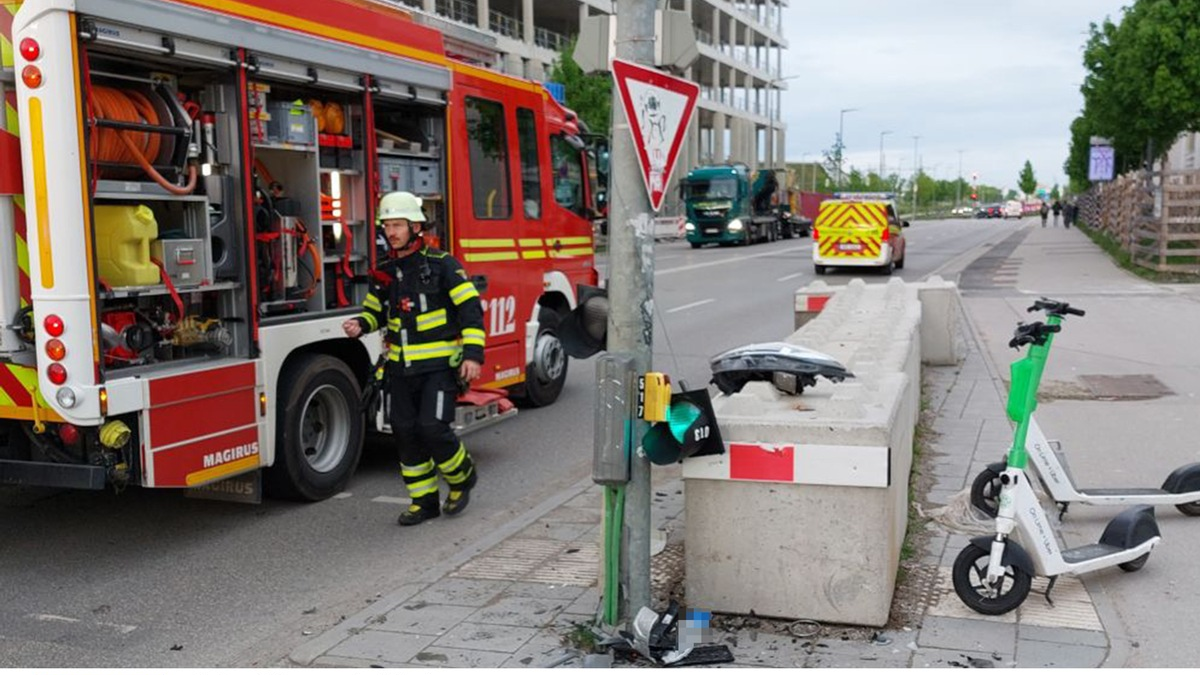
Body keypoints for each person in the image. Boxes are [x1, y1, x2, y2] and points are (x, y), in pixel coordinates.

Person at [343, 191, 485, 526]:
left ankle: (462, 477)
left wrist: (473, 354)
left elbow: (470, 311)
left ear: (415, 226)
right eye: (387, 225)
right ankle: (424, 502)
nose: (391, 232)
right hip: (400, 369)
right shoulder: (386, 272)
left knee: (433, 428)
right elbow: (375, 312)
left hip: (439, 368)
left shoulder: (444, 265)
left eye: (398, 225)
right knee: (405, 433)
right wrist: (360, 324)